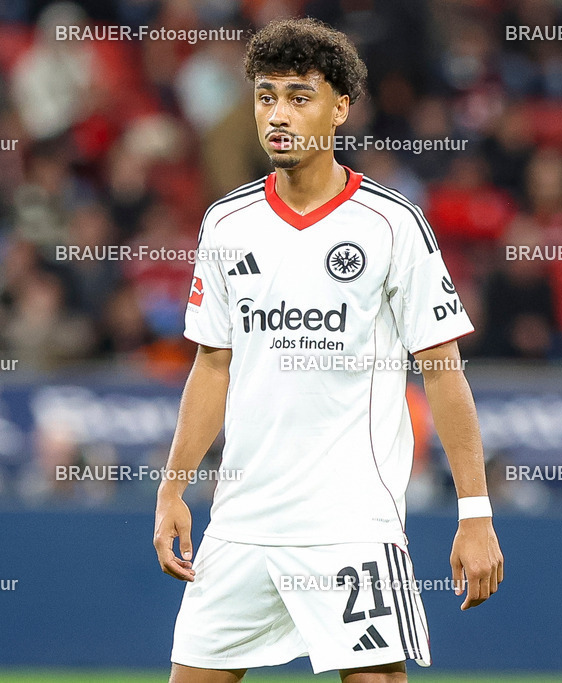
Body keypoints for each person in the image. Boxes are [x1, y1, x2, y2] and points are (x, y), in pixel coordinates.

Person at [153, 18, 503, 683]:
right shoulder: (226, 223)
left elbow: (444, 374)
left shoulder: (390, 223)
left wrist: (475, 513)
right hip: (242, 519)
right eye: (265, 96)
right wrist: (173, 487)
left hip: (351, 522)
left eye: (298, 96)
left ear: (340, 107)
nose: (277, 113)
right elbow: (212, 364)